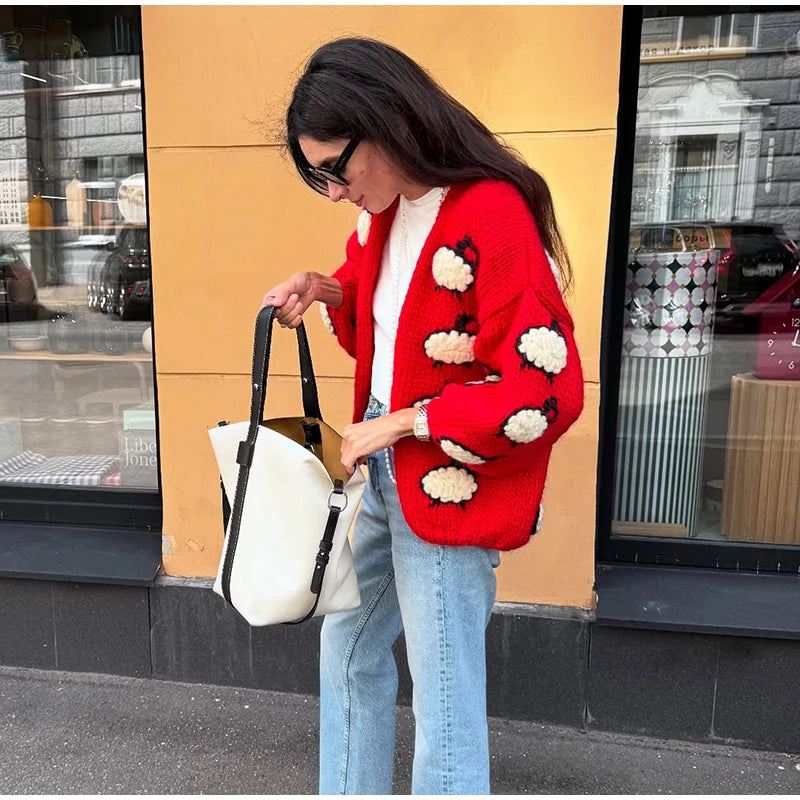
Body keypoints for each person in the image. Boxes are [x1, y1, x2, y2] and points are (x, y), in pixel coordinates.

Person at [262, 37, 584, 795]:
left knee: (444, 697)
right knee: (347, 651)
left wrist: (407, 422)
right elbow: (387, 302)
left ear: (389, 122)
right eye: (318, 178)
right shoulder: (387, 213)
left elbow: (545, 391)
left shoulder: (491, 214)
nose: (334, 191)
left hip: (445, 481)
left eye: (336, 168)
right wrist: (327, 290)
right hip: (378, 466)